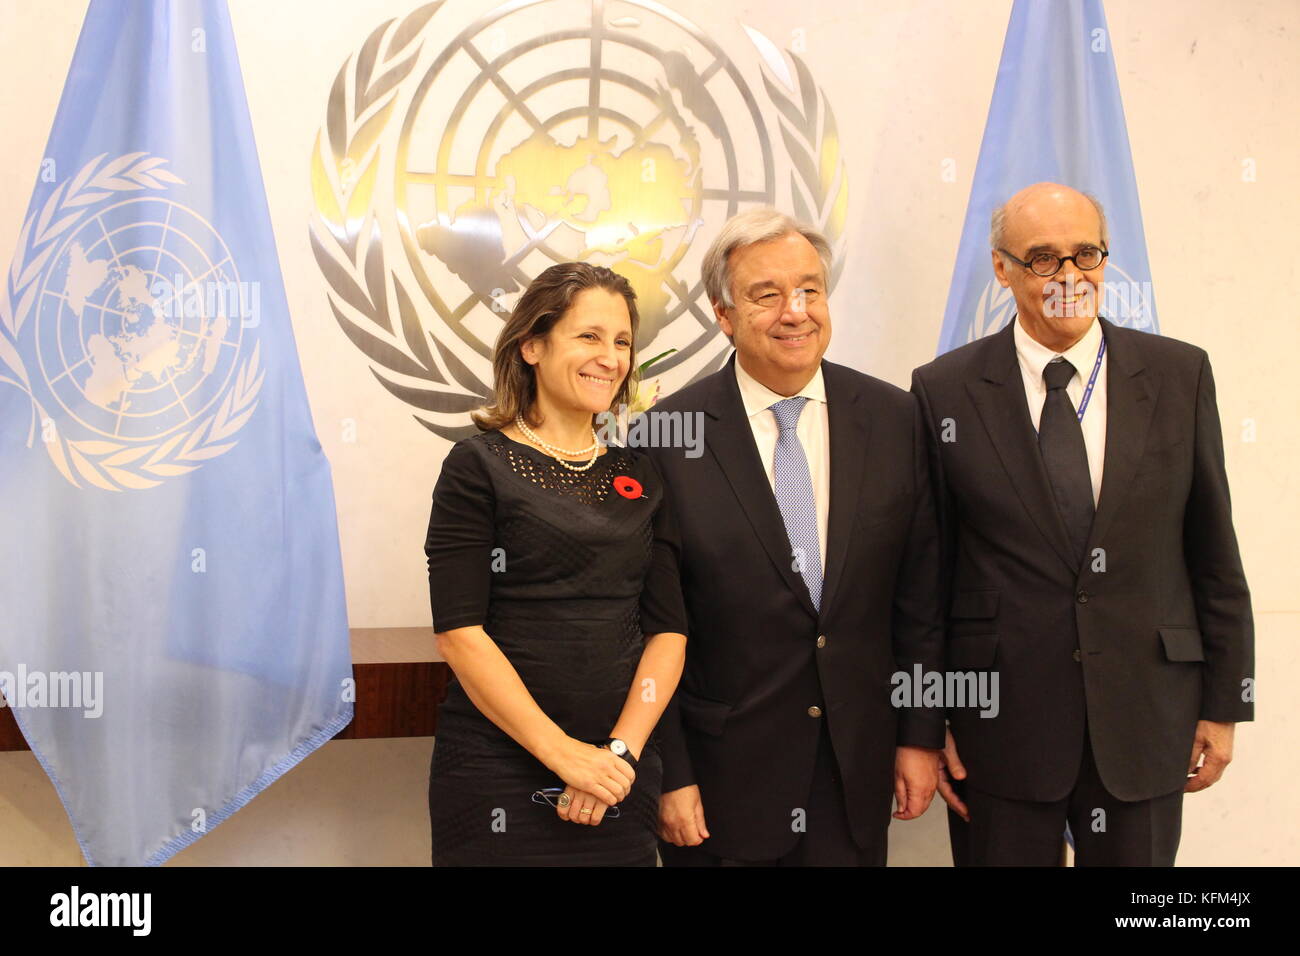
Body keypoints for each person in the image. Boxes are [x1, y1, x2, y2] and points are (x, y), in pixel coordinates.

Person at [911, 182, 1254, 866]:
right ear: (1002, 267)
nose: (1068, 277)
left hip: (1149, 716)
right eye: (1042, 258)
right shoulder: (943, 390)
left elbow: (1214, 553)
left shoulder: (1179, 374)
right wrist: (929, 719)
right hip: (1000, 729)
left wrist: (1224, 702)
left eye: (1085, 254)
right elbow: (926, 579)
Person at [648, 208, 945, 866]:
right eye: (767, 295)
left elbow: (921, 600)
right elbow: (652, 624)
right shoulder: (668, 437)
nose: (796, 312)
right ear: (724, 316)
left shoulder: (896, 420)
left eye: (810, 289)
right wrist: (673, 771)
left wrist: (919, 736)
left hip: (855, 773)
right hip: (722, 784)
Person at [423, 262, 688, 866]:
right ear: (533, 345)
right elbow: (460, 635)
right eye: (589, 336)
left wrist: (617, 756)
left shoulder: (642, 474)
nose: (611, 357)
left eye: (622, 342)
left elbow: (669, 632)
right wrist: (566, 756)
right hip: (497, 769)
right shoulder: (477, 466)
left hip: (620, 774)